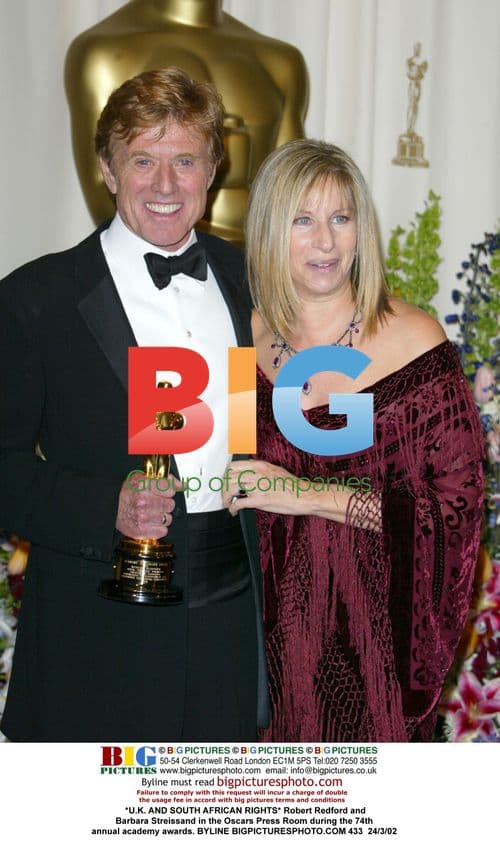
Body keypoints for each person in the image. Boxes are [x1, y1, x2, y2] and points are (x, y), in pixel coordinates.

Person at [0, 67, 268, 742]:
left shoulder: (253, 280)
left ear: (214, 169)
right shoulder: (38, 297)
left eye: (185, 160)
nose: (166, 185)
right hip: (94, 630)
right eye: (143, 160)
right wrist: (105, 507)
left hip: (229, 620)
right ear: (107, 169)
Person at [222, 139, 484, 742]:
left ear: (361, 232)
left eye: (341, 218)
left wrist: (309, 495)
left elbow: (457, 513)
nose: (325, 242)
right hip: (261, 662)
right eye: (303, 220)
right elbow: (223, 485)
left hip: (373, 665)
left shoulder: (413, 340)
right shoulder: (241, 343)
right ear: (267, 230)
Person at [64, 0, 308, 245]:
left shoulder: (280, 61)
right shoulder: (103, 51)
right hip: (145, 269)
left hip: (257, 272)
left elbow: (295, 196)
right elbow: (104, 194)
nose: (166, 184)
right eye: (144, 161)